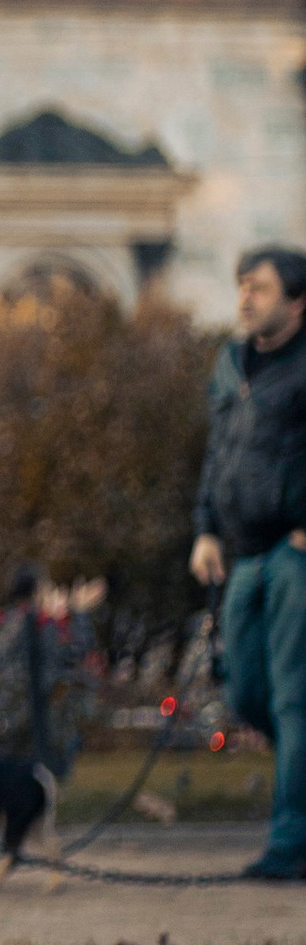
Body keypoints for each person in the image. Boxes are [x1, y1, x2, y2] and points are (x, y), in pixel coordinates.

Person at [190, 241, 306, 884]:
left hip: (294, 556)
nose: (244, 298)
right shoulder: (230, 362)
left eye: (258, 288)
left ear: (296, 301)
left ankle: (291, 844)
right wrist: (204, 529)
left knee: (294, 700)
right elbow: (218, 451)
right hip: (243, 555)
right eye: (241, 285)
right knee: (247, 691)